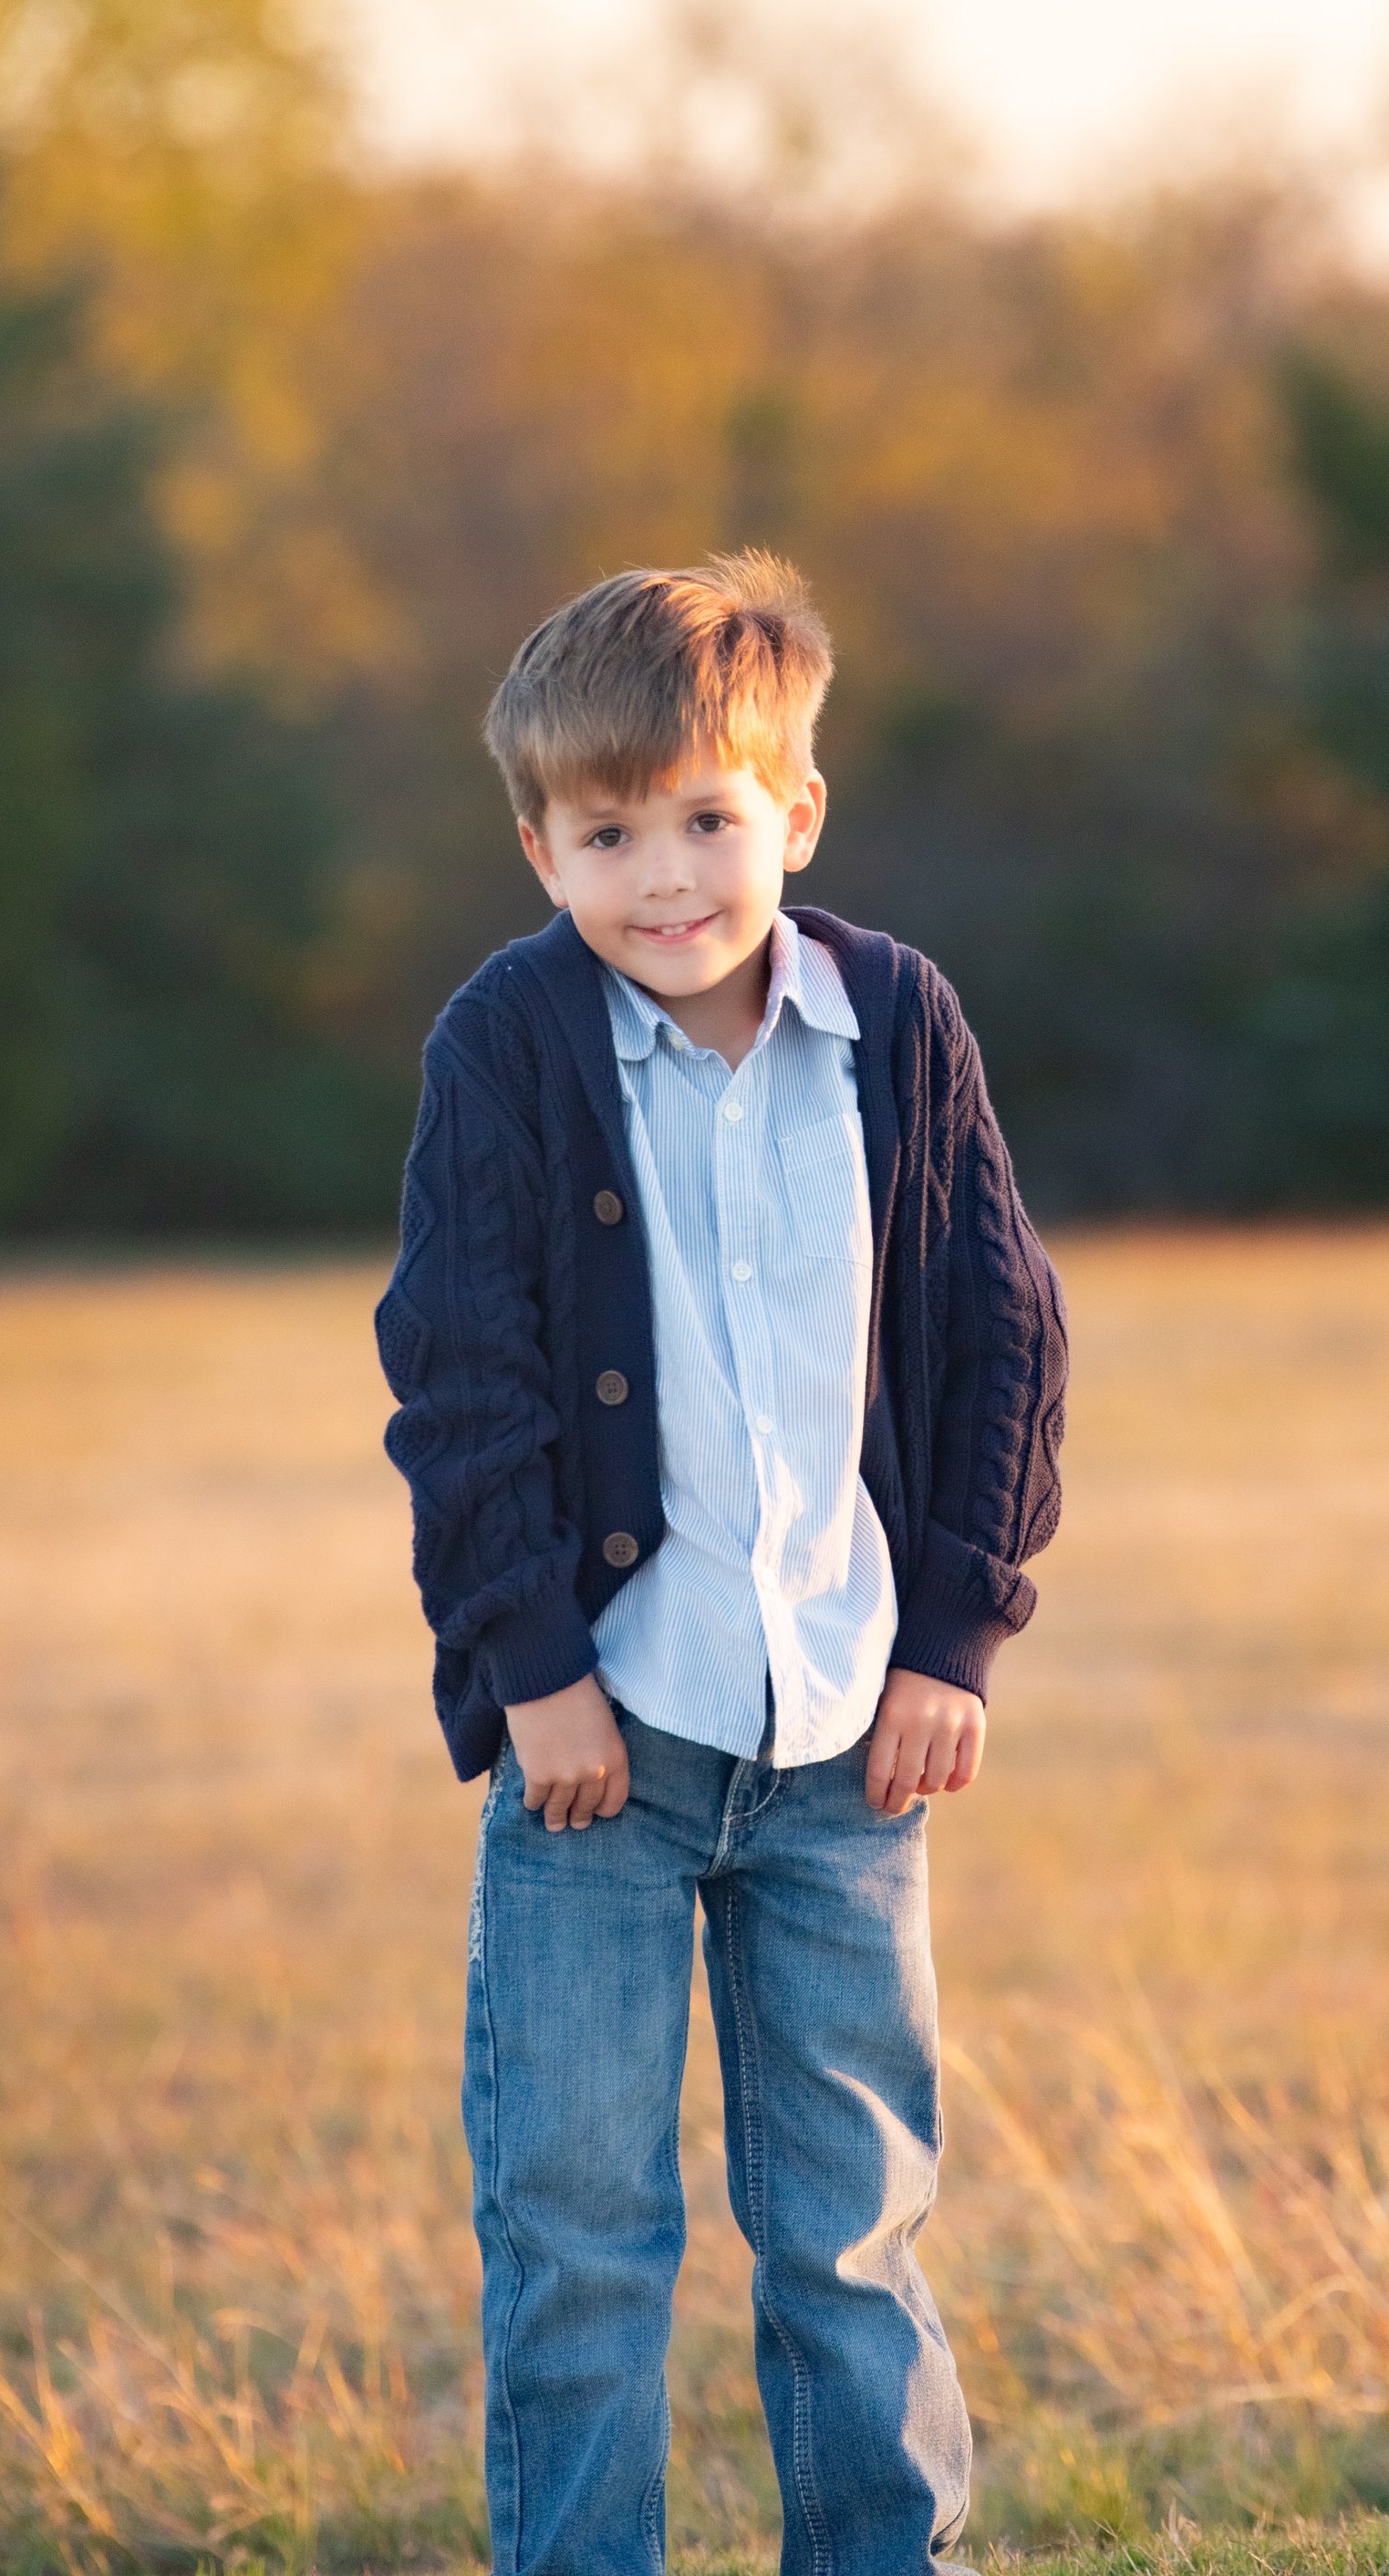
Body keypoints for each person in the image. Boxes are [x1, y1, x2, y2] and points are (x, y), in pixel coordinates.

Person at [373, 551, 1069, 2576]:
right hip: (607, 1734)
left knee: (846, 2227)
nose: (664, 875)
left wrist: (956, 1629)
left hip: (852, 1737)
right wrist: (530, 1664)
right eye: (608, 833)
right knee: (579, 2234)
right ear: (537, 845)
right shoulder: (510, 1039)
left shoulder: (896, 1024)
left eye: (707, 816)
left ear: (798, 812)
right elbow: (460, 1370)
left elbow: (996, 1325)